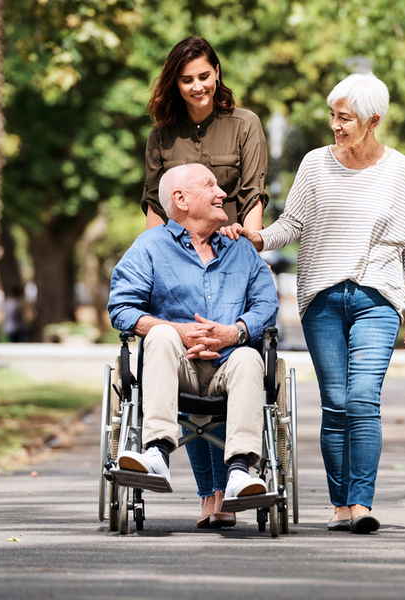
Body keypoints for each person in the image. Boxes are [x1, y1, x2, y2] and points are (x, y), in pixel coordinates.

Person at [224, 73, 405, 534]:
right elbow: (291, 222)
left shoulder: (401, 170)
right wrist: (257, 236)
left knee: (362, 398)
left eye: (345, 118)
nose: (335, 125)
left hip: (378, 296)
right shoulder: (316, 165)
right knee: (335, 401)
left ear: (372, 120)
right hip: (322, 297)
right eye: (333, 115)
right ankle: (340, 505)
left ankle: (361, 503)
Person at [141, 36, 270, 528]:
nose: (198, 86)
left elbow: (254, 194)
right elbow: (157, 208)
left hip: (232, 255)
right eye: (187, 79)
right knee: (182, 340)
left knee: (228, 355)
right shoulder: (162, 135)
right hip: (181, 255)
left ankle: (232, 479)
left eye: (204, 75)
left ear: (218, 72)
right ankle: (210, 492)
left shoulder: (245, 126)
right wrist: (159, 264)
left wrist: (250, 249)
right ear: (176, 82)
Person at [108, 163, 279, 521]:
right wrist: (177, 330)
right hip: (177, 367)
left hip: (229, 368)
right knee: (161, 334)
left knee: (250, 358)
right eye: (210, 186)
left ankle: (238, 472)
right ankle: (156, 454)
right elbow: (121, 307)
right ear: (181, 200)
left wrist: (235, 332)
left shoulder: (240, 248)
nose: (222, 194)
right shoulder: (150, 246)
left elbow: (266, 303)